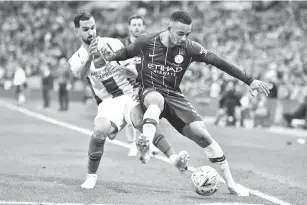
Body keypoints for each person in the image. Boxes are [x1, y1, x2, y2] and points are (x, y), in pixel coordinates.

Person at [100, 10, 270, 196]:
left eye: (187, 33)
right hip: (148, 91)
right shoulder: (147, 41)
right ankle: (146, 142)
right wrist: (110, 56)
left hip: (174, 95)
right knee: (155, 99)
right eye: (180, 33)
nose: (184, 37)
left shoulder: (190, 48)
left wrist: (250, 80)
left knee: (202, 135)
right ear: (169, 28)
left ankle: (231, 184)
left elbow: (219, 62)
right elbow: (126, 52)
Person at [69, 11, 189, 190]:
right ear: (76, 31)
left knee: (142, 123)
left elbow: (134, 72)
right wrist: (89, 57)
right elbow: (80, 75)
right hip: (107, 103)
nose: (91, 32)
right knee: (100, 130)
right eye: (85, 29)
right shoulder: (76, 57)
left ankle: (175, 159)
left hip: (128, 95)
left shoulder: (113, 43)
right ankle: (91, 176)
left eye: (93, 28)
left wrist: (126, 71)